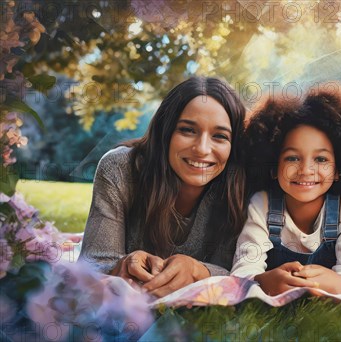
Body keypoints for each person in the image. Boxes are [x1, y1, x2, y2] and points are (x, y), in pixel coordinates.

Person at [79, 76, 247, 297]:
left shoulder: (239, 183)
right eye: (188, 130)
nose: (202, 149)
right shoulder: (119, 169)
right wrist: (122, 264)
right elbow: (92, 264)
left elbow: (240, 273)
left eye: (219, 136)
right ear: (165, 132)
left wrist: (197, 270)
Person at [231, 85, 341, 295]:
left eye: (321, 159)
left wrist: (336, 282)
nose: (306, 170)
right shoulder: (262, 205)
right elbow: (243, 271)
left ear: (338, 169)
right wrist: (262, 281)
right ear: (273, 166)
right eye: (292, 158)